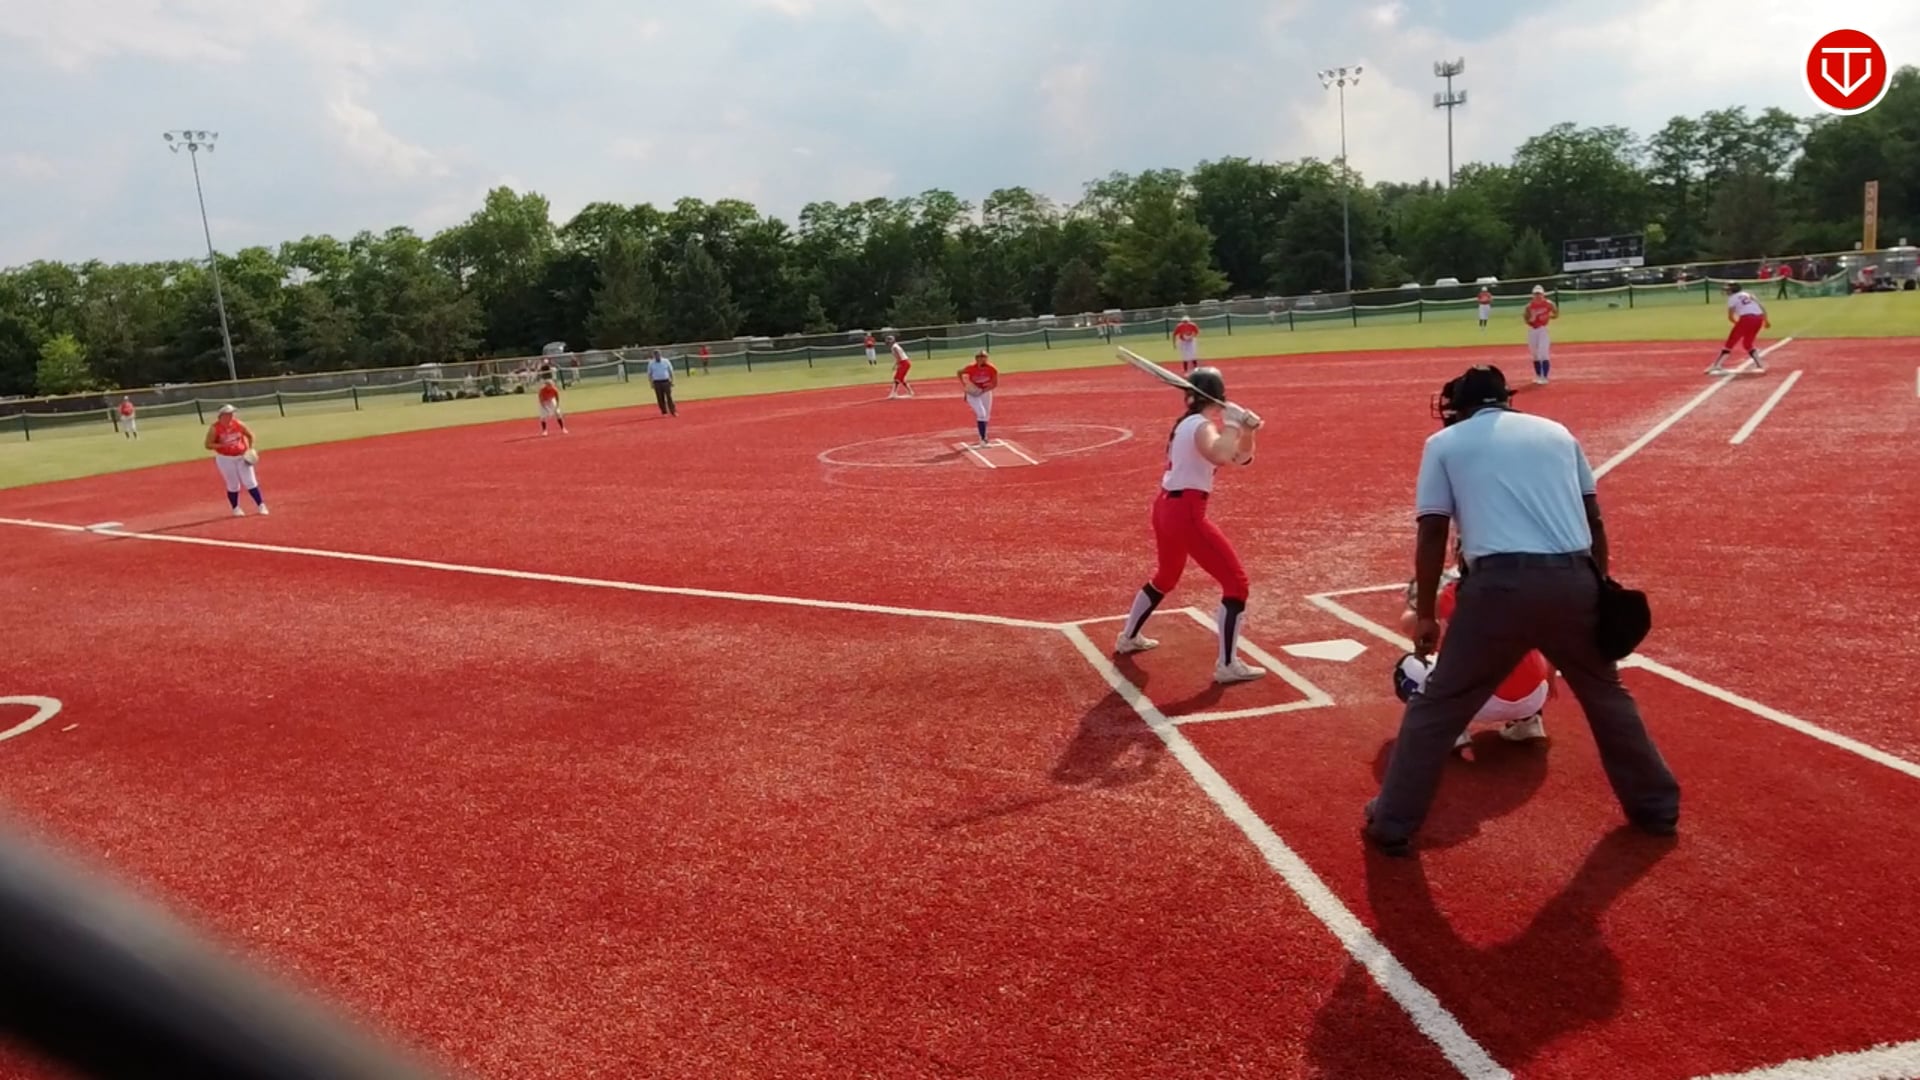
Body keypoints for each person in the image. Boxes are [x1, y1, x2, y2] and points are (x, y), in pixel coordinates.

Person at [1362, 365, 1678, 856]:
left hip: (1497, 588)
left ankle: (1392, 821)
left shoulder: (1444, 444)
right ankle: (1657, 808)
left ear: (1459, 406)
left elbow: (1433, 531)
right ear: (1506, 399)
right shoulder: (1559, 433)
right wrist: (1598, 587)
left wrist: (1425, 613)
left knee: (1439, 706)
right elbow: (1594, 520)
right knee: (1606, 695)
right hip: (1573, 578)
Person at [1112, 367, 1267, 685]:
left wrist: (1247, 430)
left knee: (1166, 576)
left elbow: (1241, 458)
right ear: (1218, 397)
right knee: (1236, 584)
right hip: (1186, 512)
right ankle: (1227, 665)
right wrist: (1232, 424)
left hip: (1166, 508)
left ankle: (1128, 637)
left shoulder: (1191, 424)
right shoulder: (1200, 426)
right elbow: (1220, 455)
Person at [1394, 563, 1553, 752]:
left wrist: (1421, 599)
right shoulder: (1524, 586)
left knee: (1410, 668)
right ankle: (1530, 722)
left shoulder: (1458, 593)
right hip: (1536, 694)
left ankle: (1451, 730)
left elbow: (1408, 624)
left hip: (1482, 699)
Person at [203, 405, 268, 517]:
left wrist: (250, 449)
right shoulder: (215, 428)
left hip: (242, 457)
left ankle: (261, 505)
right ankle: (235, 508)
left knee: (250, 481)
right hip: (225, 459)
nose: (231, 415)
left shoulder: (238, 424)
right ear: (222, 415)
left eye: (232, 413)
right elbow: (208, 444)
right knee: (233, 484)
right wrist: (221, 445)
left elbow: (250, 435)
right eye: (228, 414)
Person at [1709, 282, 1770, 375]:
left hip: (1746, 319)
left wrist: (1738, 324)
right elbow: (1762, 307)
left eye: (1728, 290)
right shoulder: (1748, 294)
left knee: (1731, 342)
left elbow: (1730, 316)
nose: (1726, 291)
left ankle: (1717, 365)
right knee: (1747, 343)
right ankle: (1759, 364)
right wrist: (1766, 320)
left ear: (1733, 290)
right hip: (1759, 318)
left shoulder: (1732, 298)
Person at [956, 350, 998, 445]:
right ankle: (983, 439)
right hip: (973, 394)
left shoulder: (992, 369)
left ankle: (983, 435)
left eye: (984, 357)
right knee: (981, 413)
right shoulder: (971, 368)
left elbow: (995, 384)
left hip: (985, 392)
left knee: (986, 415)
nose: (983, 359)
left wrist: (983, 390)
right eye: (980, 357)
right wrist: (965, 384)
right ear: (976, 359)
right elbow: (959, 372)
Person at [1522, 285, 1557, 385]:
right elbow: (1526, 319)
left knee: (1543, 353)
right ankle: (1538, 376)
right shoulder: (1529, 306)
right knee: (1535, 354)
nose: (1538, 296)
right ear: (1533, 295)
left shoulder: (1549, 304)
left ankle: (1544, 377)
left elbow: (1556, 314)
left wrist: (1548, 316)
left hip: (1543, 329)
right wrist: (1531, 320)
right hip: (1532, 330)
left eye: (1539, 294)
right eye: (1536, 294)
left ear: (1543, 294)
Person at [647, 350, 677, 416]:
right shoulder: (651, 363)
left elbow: (670, 371)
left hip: (666, 381)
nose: (657, 356)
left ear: (660, 355)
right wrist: (651, 383)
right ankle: (664, 411)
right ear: (654, 356)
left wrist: (672, 380)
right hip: (657, 382)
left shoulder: (666, 361)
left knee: (669, 396)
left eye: (658, 355)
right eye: (656, 355)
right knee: (660, 397)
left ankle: (673, 411)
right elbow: (649, 374)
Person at [536, 370, 567, 436]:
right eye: (549, 385)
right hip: (544, 401)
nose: (550, 386)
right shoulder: (542, 390)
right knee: (543, 416)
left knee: (558, 413)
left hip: (551, 399)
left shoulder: (554, 389)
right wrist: (546, 409)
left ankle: (563, 428)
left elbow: (557, 398)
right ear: (546, 385)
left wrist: (557, 406)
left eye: (551, 385)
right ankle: (544, 431)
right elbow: (541, 401)